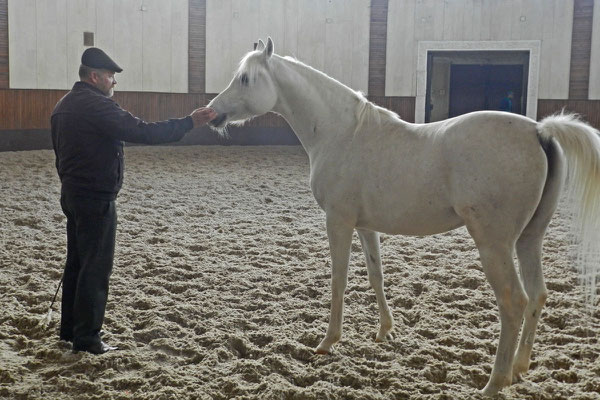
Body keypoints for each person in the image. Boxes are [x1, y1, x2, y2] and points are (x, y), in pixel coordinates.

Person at [50, 47, 217, 354]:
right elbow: (143, 131)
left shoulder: (63, 105)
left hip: (72, 194)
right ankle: (87, 339)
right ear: (95, 76)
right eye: (111, 76)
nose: (114, 82)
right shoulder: (97, 107)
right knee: (96, 268)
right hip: (96, 197)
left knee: (76, 263)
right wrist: (188, 123)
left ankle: (70, 329)